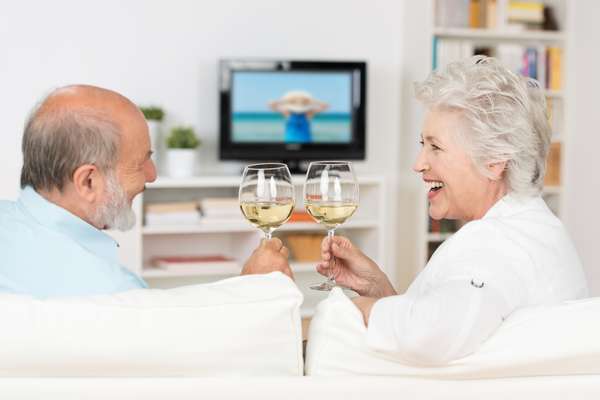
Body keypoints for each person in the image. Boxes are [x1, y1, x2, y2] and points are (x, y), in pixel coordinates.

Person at [316, 56, 588, 365]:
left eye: (436, 147)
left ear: (494, 161)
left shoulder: (494, 240)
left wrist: (347, 311)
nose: (419, 164)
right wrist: (377, 287)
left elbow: (429, 335)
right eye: (422, 144)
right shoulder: (537, 228)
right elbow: (457, 319)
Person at [0, 85, 291, 298]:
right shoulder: (115, 293)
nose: (152, 174)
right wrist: (253, 290)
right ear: (88, 182)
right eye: (141, 162)